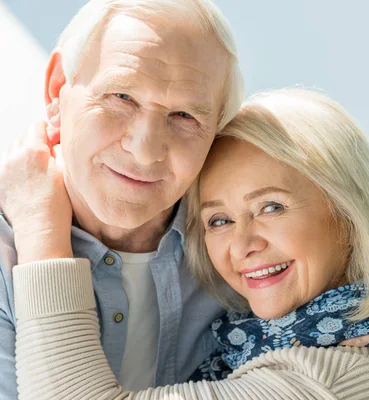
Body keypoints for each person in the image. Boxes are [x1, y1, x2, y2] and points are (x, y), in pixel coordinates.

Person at [10, 88, 369, 399]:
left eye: (271, 207)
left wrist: (39, 224)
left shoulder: (326, 381)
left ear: (349, 209)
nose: (242, 244)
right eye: (218, 219)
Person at [0, 0, 244, 396]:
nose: (146, 150)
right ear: (58, 88)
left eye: (185, 116)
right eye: (122, 96)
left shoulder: (243, 255)